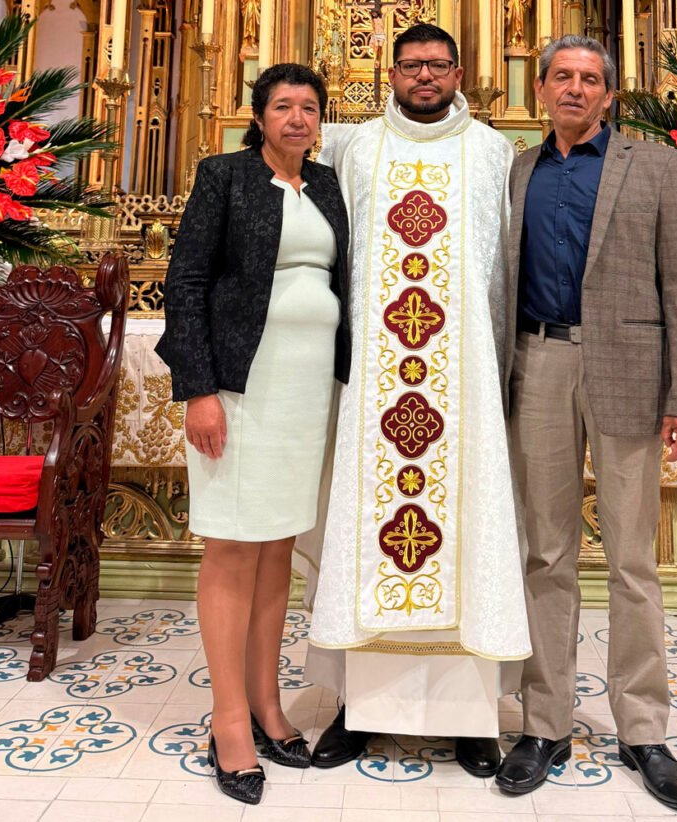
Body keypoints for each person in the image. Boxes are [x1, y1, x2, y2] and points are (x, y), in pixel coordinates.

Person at [301, 23, 531, 777]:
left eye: (437, 65)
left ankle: (470, 720)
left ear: (459, 72)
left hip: (462, 386)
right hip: (377, 385)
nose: (424, 76)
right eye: (411, 66)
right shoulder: (355, 150)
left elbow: (506, 269)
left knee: (469, 533)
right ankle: (359, 710)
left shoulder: (493, 153)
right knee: (366, 530)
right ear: (391, 73)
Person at [494, 36, 677, 810]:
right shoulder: (517, 171)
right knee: (545, 554)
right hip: (538, 363)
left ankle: (643, 729)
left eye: (590, 80)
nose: (576, 89)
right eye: (563, 77)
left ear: (609, 95)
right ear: (542, 88)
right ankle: (544, 722)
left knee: (632, 562)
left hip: (629, 372)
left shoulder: (654, 167)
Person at [155, 63, 350, 806]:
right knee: (235, 545)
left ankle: (268, 701)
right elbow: (186, 282)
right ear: (259, 116)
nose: (297, 118)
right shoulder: (225, 176)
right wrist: (199, 389)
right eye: (283, 106)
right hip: (240, 388)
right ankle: (229, 719)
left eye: (309, 107)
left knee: (276, 548)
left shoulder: (326, 185)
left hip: (307, 390)